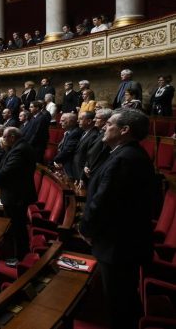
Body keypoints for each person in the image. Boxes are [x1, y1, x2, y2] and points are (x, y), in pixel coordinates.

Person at [79, 109, 156, 329]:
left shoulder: (126, 158)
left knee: (119, 304)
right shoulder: (125, 154)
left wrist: (86, 229)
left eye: (109, 123)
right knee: (120, 301)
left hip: (118, 245)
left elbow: (105, 202)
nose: (104, 126)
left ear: (124, 130)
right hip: (119, 242)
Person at [0, 127, 36, 260]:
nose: (3, 140)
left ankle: (19, 257)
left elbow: (8, 170)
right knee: (16, 227)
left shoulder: (20, 150)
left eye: (5, 137)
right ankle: (16, 254)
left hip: (16, 196)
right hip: (16, 194)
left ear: (12, 137)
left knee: (17, 227)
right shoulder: (19, 147)